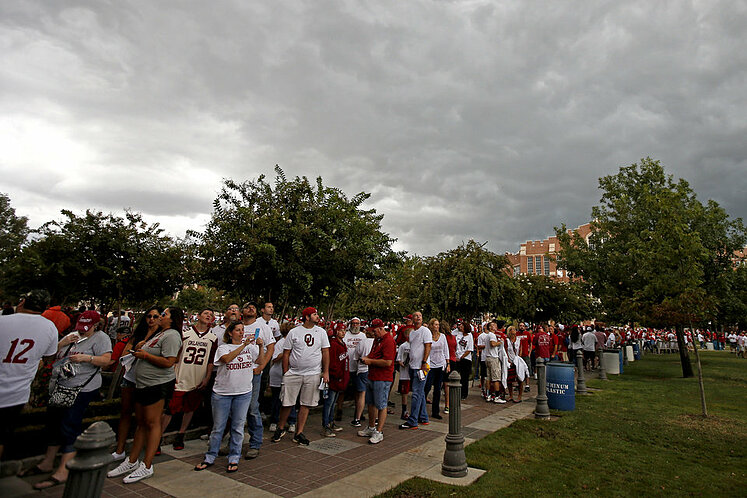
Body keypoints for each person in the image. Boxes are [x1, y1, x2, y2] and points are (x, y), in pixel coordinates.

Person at [31, 310, 112, 490]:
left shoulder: (101, 338)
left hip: (81, 388)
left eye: (87, 328)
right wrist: (61, 343)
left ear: (96, 325)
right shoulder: (72, 336)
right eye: (81, 327)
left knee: (70, 424)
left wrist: (87, 358)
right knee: (53, 422)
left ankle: (64, 469)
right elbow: (50, 357)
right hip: (60, 386)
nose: (83, 331)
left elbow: (107, 360)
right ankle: (48, 461)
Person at [108, 307, 183, 483]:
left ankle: (147, 464)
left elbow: (169, 361)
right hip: (143, 384)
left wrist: (145, 355)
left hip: (157, 385)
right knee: (141, 422)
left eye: (164, 314)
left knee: (152, 422)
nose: (159, 317)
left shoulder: (172, 335)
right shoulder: (160, 334)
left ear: (172, 319)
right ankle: (132, 460)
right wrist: (142, 347)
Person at [195, 321, 266, 473]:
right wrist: (243, 346)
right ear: (230, 333)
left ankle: (234, 457)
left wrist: (260, 347)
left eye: (242, 330)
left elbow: (259, 361)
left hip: (243, 393)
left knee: (238, 427)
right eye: (238, 330)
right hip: (223, 394)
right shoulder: (223, 348)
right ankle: (210, 455)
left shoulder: (250, 348)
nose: (241, 333)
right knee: (218, 427)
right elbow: (226, 359)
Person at [1, 290, 58, 466]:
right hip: (16, 395)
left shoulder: (3, 321)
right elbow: (49, 358)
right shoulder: (49, 327)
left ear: (23, 302)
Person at [160, 308, 217, 451]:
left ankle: (181, 434)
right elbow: (175, 355)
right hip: (181, 375)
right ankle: (158, 436)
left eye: (211, 315)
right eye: (205, 313)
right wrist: (172, 373)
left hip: (197, 377)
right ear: (198, 316)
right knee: (170, 409)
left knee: (190, 408)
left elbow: (211, 360)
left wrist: (207, 377)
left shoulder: (212, 338)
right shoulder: (185, 334)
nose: (208, 316)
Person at [271, 307, 329, 446]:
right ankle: (280, 427)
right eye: (314, 314)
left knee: (306, 403)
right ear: (307, 317)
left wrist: (325, 371)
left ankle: (299, 432)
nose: (317, 317)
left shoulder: (321, 332)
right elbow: (286, 352)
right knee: (287, 402)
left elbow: (325, 352)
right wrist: (286, 371)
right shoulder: (294, 332)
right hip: (294, 373)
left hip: (313, 373)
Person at [111, 307, 162, 460]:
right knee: (125, 413)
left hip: (148, 380)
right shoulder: (138, 334)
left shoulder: (163, 336)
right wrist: (137, 348)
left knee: (144, 419)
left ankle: (137, 454)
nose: (151, 319)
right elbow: (125, 353)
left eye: (155, 316)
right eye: (149, 316)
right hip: (131, 376)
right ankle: (120, 450)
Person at [240, 301, 275, 460]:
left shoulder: (263, 328)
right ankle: (235, 442)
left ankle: (255, 443)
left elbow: (271, 347)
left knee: (252, 408)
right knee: (237, 410)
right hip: (237, 373)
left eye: (253, 307)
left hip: (253, 373)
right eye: (247, 306)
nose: (250, 308)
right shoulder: (237, 327)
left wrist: (262, 366)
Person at [357, 319, 396, 444]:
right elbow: (373, 354)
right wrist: (366, 358)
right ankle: (371, 427)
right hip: (372, 376)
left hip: (383, 377)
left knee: (381, 404)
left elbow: (388, 362)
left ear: (380, 329)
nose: (372, 333)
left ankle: (379, 431)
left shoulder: (389, 341)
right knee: (371, 403)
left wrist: (370, 361)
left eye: (374, 331)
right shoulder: (377, 340)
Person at [399, 312, 432, 430]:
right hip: (413, 366)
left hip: (421, 367)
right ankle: (423, 417)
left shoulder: (425, 331)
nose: (418, 317)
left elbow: (428, 346)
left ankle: (412, 420)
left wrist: (424, 362)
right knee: (420, 392)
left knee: (416, 394)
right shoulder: (412, 333)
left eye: (420, 316)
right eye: (415, 316)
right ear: (412, 319)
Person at [268, 322, 297, 433]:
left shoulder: (296, 343)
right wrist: (285, 353)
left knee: (291, 400)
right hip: (277, 375)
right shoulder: (280, 343)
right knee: (276, 400)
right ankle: (274, 421)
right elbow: (274, 359)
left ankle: (292, 421)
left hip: (291, 375)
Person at [322, 322, 349, 436]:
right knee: (329, 402)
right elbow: (332, 363)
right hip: (334, 378)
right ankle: (326, 425)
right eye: (340, 330)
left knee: (333, 403)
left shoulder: (342, 343)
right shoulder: (333, 344)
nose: (343, 332)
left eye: (344, 330)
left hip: (341, 378)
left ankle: (331, 422)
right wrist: (335, 375)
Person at [423, 318, 448, 420]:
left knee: (437, 389)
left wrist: (448, 363)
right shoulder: (428, 336)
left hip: (440, 364)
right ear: (431, 326)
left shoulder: (442, 337)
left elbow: (446, 350)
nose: (436, 327)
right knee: (427, 387)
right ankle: (422, 409)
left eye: (438, 325)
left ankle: (435, 411)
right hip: (430, 365)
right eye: (435, 325)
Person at [342, 317, 365, 426]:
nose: (355, 325)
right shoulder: (346, 335)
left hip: (358, 369)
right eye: (353, 323)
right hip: (346, 367)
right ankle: (339, 410)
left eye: (357, 323)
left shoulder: (363, 336)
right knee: (342, 390)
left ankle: (358, 412)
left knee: (358, 391)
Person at [350, 326, 374, 427]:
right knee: (373, 394)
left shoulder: (362, 342)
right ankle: (375, 418)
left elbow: (356, 356)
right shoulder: (377, 342)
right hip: (373, 370)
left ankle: (357, 418)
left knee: (362, 395)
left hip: (362, 370)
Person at [503, 326, 529, 403]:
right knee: (509, 379)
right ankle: (511, 395)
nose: (514, 331)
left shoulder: (518, 340)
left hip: (517, 361)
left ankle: (519, 396)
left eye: (514, 329)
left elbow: (520, 349)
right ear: (509, 331)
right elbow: (505, 350)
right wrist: (508, 361)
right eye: (512, 329)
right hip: (510, 361)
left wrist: (518, 359)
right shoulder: (507, 340)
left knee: (520, 378)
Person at [484, 322, 506, 403]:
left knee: (489, 378)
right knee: (496, 378)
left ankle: (488, 395)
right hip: (493, 358)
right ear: (490, 327)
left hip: (488, 357)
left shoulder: (487, 335)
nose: (496, 326)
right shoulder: (492, 335)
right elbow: (493, 344)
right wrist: (500, 342)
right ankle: (497, 396)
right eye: (493, 325)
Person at [455, 322, 474, 399]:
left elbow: (469, 349)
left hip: (466, 358)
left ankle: (464, 393)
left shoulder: (469, 336)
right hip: (457, 357)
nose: (460, 327)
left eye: (462, 326)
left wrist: (462, 356)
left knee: (464, 377)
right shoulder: (458, 335)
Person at [395, 327, 411, 420]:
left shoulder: (416, 345)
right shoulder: (403, 346)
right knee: (404, 392)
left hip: (413, 372)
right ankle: (404, 410)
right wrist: (402, 363)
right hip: (405, 373)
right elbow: (399, 359)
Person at [442, 321, 456, 414]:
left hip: (445, 360)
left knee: (446, 383)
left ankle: (447, 404)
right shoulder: (453, 337)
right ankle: (449, 403)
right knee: (450, 383)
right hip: (453, 359)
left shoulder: (443, 337)